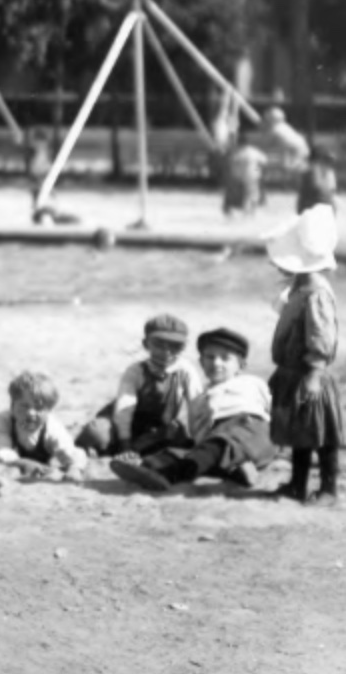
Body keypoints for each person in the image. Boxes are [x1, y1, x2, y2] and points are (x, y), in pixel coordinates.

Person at [111, 327, 273, 493]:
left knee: (213, 448)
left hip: (247, 428)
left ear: (241, 365)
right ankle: (147, 466)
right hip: (218, 442)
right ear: (201, 362)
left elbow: (272, 409)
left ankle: (169, 476)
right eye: (210, 357)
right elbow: (198, 429)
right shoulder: (202, 397)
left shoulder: (251, 382)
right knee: (186, 452)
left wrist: (281, 445)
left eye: (225, 358)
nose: (216, 363)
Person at [265, 205, 342, 505]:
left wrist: (314, 373)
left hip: (310, 375)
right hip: (292, 372)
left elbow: (321, 335)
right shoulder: (300, 288)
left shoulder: (316, 294)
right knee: (301, 434)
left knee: (322, 435)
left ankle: (329, 488)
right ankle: (297, 484)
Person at [71, 313, 203, 460]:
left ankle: (133, 449)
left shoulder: (185, 371)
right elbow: (124, 409)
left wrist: (199, 439)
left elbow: (197, 406)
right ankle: (109, 448)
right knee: (98, 432)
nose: (167, 352)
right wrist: (125, 444)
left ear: (184, 347)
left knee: (178, 436)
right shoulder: (136, 371)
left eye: (175, 346)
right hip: (121, 425)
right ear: (146, 344)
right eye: (159, 344)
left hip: (155, 428)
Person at [222, 128, 268, 216]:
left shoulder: (237, 152)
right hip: (252, 176)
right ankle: (250, 212)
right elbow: (264, 161)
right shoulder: (253, 151)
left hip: (237, 177)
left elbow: (230, 164)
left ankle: (237, 211)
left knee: (239, 194)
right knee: (252, 194)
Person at [257, 106, 312, 173]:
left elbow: (263, 146)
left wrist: (262, 131)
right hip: (300, 150)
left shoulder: (275, 130)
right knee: (287, 166)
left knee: (290, 170)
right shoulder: (284, 126)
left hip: (296, 152)